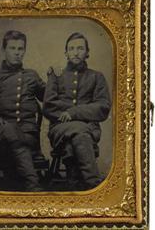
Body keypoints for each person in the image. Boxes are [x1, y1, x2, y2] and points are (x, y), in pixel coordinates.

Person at [0, 30, 46, 192]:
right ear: (3, 50)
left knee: (17, 139)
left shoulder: (31, 76)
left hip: (28, 136)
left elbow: (50, 98)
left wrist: (55, 78)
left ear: (24, 51)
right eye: (12, 48)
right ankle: (33, 184)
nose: (17, 53)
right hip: (1, 138)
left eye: (20, 49)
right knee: (9, 130)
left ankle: (25, 185)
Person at [43, 32, 111, 191]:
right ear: (66, 53)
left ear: (87, 52)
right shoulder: (56, 75)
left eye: (80, 48)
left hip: (89, 130)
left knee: (75, 138)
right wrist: (75, 118)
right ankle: (92, 182)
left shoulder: (96, 77)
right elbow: (48, 106)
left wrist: (74, 113)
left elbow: (103, 107)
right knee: (80, 131)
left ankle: (73, 181)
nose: (75, 52)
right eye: (71, 48)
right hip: (59, 129)